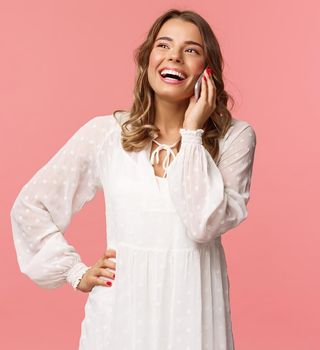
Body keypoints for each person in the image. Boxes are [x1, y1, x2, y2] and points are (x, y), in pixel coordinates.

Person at [9, 8, 257, 349]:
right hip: (119, 314)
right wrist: (74, 272)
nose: (174, 56)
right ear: (147, 60)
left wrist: (192, 134)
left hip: (193, 311)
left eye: (191, 50)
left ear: (207, 70)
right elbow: (30, 207)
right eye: (164, 45)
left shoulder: (235, 138)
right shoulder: (106, 134)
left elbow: (203, 224)